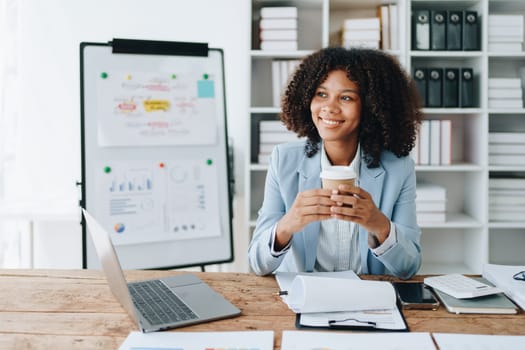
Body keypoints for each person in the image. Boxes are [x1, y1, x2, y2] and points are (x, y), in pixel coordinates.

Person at [248, 47, 423, 279]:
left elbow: (408, 268)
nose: (329, 107)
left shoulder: (398, 169)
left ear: (371, 107)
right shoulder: (284, 161)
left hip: (367, 300)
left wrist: (379, 224)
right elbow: (257, 264)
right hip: (305, 299)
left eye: (346, 97)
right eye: (321, 94)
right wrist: (287, 225)